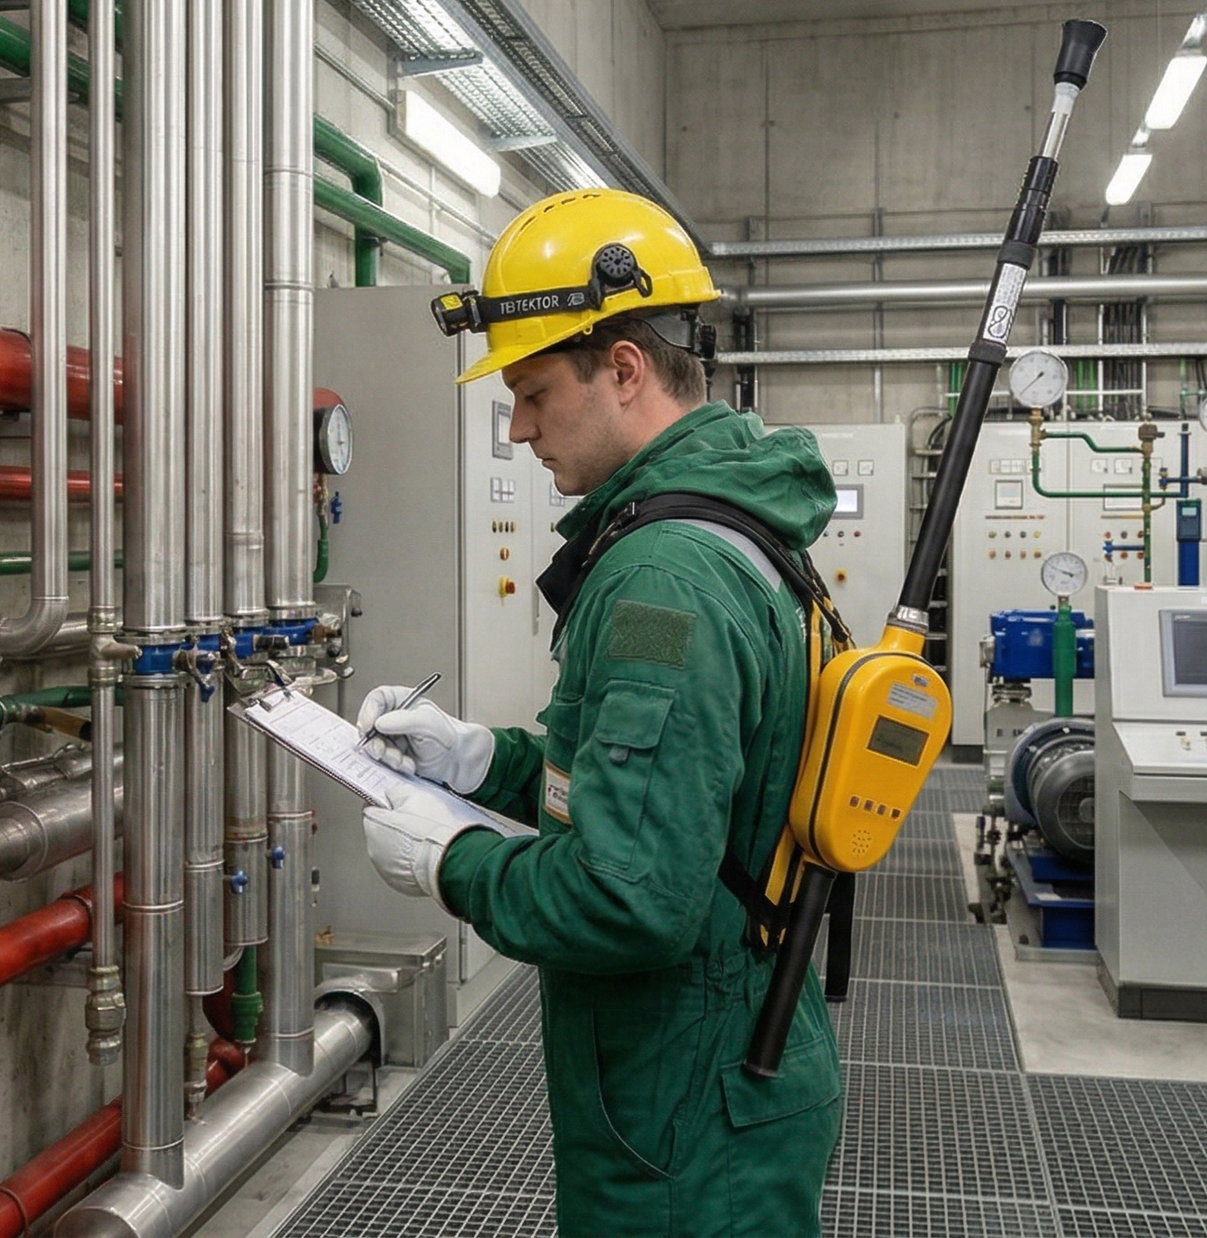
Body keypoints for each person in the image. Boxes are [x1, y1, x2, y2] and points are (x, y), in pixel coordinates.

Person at [350, 187, 842, 1237]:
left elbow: (630, 900)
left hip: (682, 1096)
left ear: (622, 369)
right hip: (726, 1052)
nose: (518, 427)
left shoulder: (663, 576)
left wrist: (452, 865)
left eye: (532, 391)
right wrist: (487, 763)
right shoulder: (731, 525)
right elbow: (670, 790)